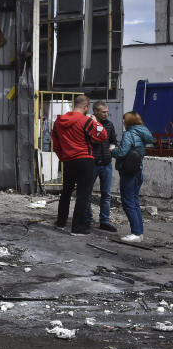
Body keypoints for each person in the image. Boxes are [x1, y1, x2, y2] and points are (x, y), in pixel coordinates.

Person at [51, 94, 107, 235]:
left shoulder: (58, 122)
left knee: (66, 192)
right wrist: (96, 122)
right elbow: (102, 135)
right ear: (86, 107)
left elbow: (56, 143)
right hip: (85, 159)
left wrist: (63, 157)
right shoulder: (85, 121)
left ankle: (61, 222)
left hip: (68, 161)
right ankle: (78, 227)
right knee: (83, 194)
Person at [111, 112, 156, 243]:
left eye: (124, 120)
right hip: (138, 171)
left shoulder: (129, 134)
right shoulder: (143, 132)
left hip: (128, 173)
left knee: (128, 203)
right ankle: (139, 233)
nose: (123, 123)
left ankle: (136, 233)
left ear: (128, 122)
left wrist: (112, 151)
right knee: (135, 203)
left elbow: (122, 152)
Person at [85, 101, 118, 232]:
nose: (106, 114)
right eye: (103, 112)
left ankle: (104, 221)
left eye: (107, 111)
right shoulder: (88, 124)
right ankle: (87, 219)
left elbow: (113, 141)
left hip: (106, 164)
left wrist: (110, 149)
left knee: (106, 194)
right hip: (92, 163)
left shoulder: (109, 125)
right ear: (96, 112)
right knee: (87, 193)